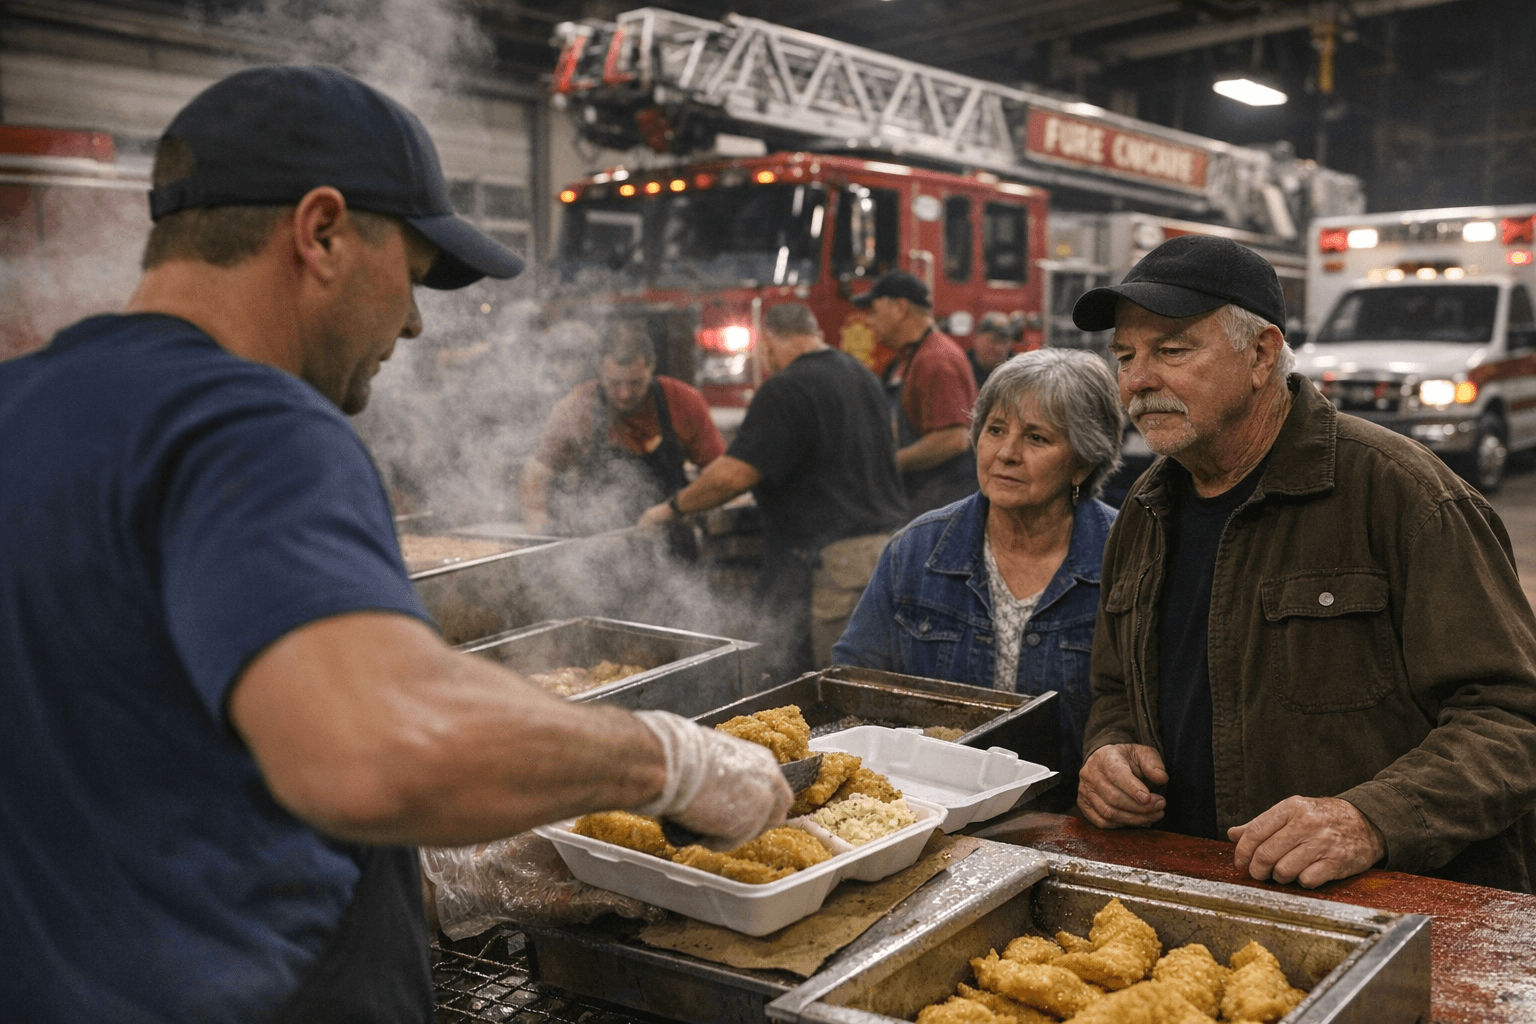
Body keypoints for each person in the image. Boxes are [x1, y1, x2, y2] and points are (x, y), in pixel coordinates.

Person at [0, 65, 792, 1024]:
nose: (415, 322)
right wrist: (672, 763)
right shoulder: (251, 423)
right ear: (322, 231)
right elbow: (372, 748)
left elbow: (142, 745)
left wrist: (419, 869)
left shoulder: (24, 409)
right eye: (413, 276)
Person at [1071, 233, 1536, 892]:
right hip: (1202, 892)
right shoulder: (1145, 512)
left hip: (1392, 910)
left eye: (1171, 350)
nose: (1138, 380)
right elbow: (1117, 691)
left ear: (1261, 353)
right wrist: (1108, 751)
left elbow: (1512, 719)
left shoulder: (1402, 494)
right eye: (1125, 355)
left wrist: (1370, 819)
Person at [833, 349, 1123, 796]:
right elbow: (854, 683)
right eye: (995, 430)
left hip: (1071, 817)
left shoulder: (1126, 557)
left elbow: (1148, 712)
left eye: (1037, 439)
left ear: (1083, 462)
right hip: (931, 803)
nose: (1005, 454)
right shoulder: (917, 551)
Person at [639, 302, 908, 679]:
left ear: (767, 343)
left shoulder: (786, 387)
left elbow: (734, 475)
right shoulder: (861, 375)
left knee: (819, 683)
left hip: (826, 565)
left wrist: (670, 508)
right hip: (882, 553)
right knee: (868, 674)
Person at [520, 322, 724, 535]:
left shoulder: (683, 401)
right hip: (597, 543)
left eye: (636, 383)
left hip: (670, 538)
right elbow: (536, 474)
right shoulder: (578, 407)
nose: (625, 394)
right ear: (600, 371)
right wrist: (538, 525)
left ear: (651, 366)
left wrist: (678, 508)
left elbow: (718, 473)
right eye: (614, 384)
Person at [855, 269, 979, 519]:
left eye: (874, 312)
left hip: (944, 505)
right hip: (929, 498)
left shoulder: (936, 360)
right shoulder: (912, 358)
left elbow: (952, 439)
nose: (869, 321)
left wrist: (887, 464)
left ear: (900, 309)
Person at [968, 311, 1017, 388]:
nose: (999, 348)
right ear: (976, 339)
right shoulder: (963, 367)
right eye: (994, 340)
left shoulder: (1017, 373)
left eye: (1004, 342)